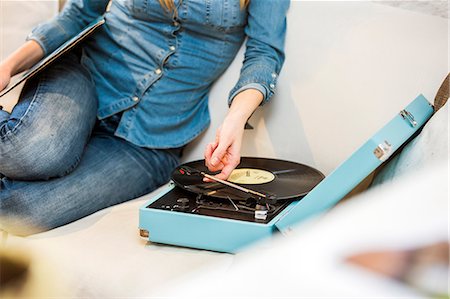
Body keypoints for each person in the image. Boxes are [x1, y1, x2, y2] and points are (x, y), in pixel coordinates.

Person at [0, 0, 289, 235]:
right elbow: (79, 14)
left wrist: (235, 118)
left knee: (21, 210)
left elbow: (264, 53)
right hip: (84, 80)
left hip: (152, 140)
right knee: (31, 151)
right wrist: (8, 66)